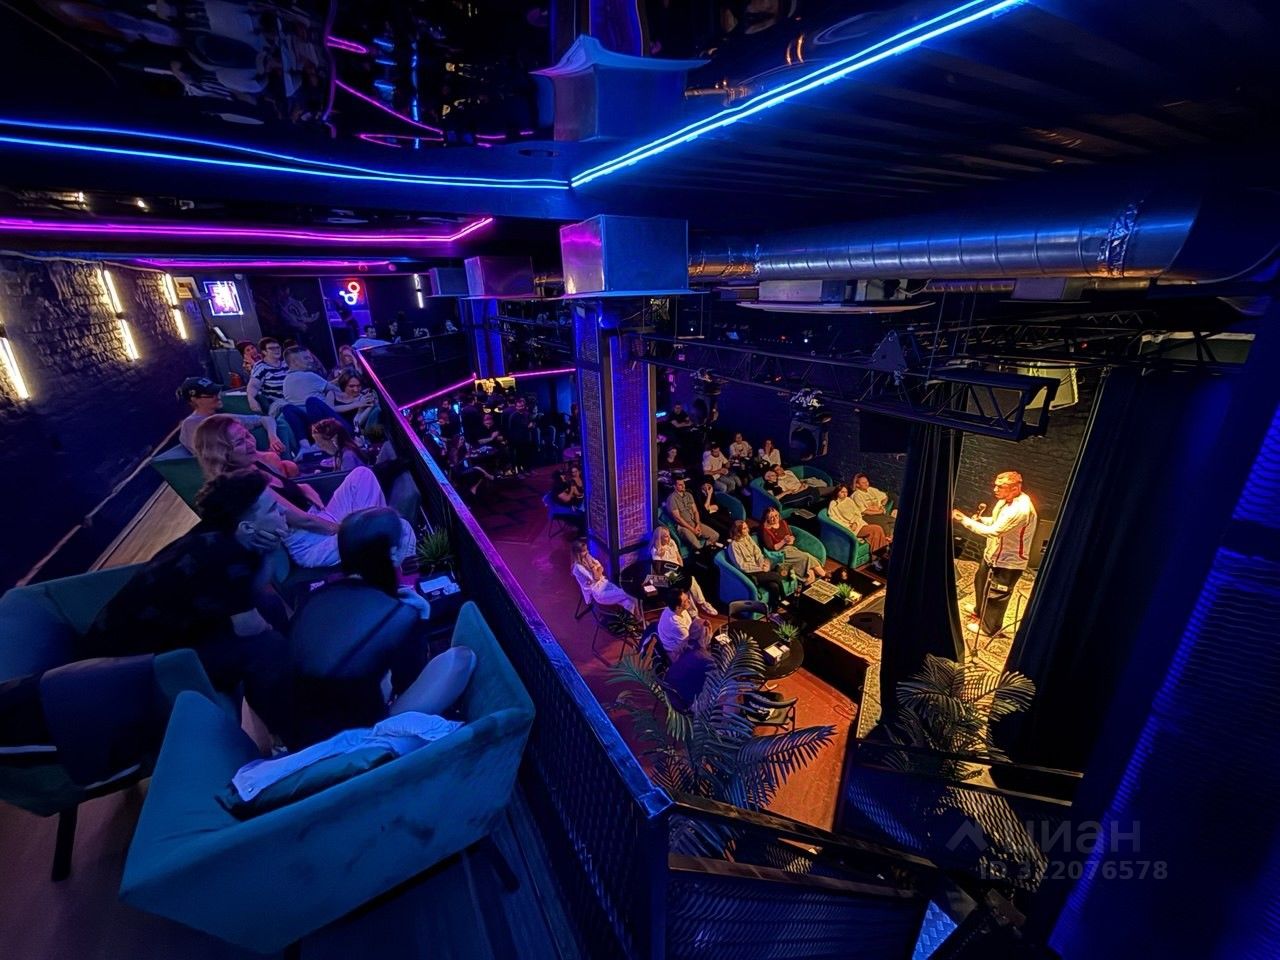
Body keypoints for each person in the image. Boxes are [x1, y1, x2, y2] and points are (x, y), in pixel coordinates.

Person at [82, 470, 292, 732]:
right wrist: (274, 637)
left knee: (269, 607)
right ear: (247, 527)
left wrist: (270, 551)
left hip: (168, 639)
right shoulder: (222, 554)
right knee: (267, 648)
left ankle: (283, 693)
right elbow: (249, 627)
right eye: (273, 509)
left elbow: (251, 590)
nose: (283, 512)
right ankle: (290, 730)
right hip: (131, 667)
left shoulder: (222, 534)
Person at [286, 507, 460, 748]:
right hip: (357, 740)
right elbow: (408, 683)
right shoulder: (399, 616)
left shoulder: (313, 598)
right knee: (461, 659)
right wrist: (422, 616)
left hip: (300, 733)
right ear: (393, 554)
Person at [194, 415, 413, 569]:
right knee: (401, 528)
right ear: (223, 452)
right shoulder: (244, 485)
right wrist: (351, 529)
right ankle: (393, 568)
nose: (250, 443)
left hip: (320, 518)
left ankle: (375, 548)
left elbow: (290, 485)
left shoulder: (255, 462)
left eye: (247, 435)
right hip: (311, 543)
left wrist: (304, 488)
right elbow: (303, 521)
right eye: (240, 442)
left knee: (362, 475)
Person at [953, 471, 1037, 638]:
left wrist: (964, 520)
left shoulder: (1021, 510)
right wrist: (981, 520)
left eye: (1001, 487)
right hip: (992, 555)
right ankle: (980, 611)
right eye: (996, 485)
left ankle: (989, 628)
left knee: (997, 595)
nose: (995, 489)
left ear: (1015, 488)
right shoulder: (1003, 502)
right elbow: (996, 521)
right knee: (981, 582)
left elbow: (995, 531)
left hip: (1009, 561)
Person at [177, 376, 284, 455]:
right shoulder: (191, 424)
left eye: (217, 392)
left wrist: (273, 438)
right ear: (195, 399)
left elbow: (265, 419)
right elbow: (213, 457)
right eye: (211, 395)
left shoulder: (222, 416)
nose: (218, 397)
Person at [651, 526, 717, 615]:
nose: (669, 538)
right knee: (688, 581)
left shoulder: (671, 542)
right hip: (667, 575)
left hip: (678, 569)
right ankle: (700, 605)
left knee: (688, 580)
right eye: (666, 536)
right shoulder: (655, 550)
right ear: (659, 538)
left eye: (669, 535)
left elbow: (679, 557)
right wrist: (661, 554)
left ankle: (696, 609)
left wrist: (681, 569)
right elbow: (660, 570)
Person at [570, 540, 641, 618]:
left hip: (605, 583)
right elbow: (597, 577)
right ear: (577, 554)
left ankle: (631, 620)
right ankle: (638, 616)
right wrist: (592, 566)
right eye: (584, 551)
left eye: (587, 549)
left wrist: (597, 571)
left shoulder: (587, 557)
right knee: (627, 593)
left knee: (628, 602)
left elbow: (601, 568)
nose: (587, 552)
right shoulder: (578, 568)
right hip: (598, 592)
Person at [725, 520, 787, 608]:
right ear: (738, 531)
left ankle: (775, 608)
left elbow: (757, 553)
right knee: (776, 576)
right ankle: (785, 600)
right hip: (750, 574)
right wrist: (760, 568)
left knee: (774, 586)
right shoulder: (734, 545)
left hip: (759, 568)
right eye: (745, 529)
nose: (748, 530)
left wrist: (762, 564)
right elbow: (742, 566)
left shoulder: (747, 537)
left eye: (747, 527)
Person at [759, 506, 827, 583]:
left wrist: (790, 540)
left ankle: (819, 579)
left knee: (810, 569)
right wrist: (784, 541)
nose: (775, 518)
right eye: (771, 517)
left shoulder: (783, 523)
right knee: (806, 557)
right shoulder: (766, 530)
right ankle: (824, 575)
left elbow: (791, 536)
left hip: (791, 548)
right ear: (767, 518)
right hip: (781, 553)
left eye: (776, 515)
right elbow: (772, 548)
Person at [662, 620, 715, 712]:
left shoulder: (684, 647)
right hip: (686, 704)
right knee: (728, 688)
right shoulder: (707, 659)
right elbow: (719, 679)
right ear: (707, 636)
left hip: (671, 693)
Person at [828, 484, 890, 552]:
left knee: (877, 530)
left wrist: (855, 522)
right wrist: (849, 526)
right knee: (876, 529)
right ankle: (879, 553)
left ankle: (880, 552)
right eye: (842, 492)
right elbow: (834, 519)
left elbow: (857, 513)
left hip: (858, 524)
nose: (845, 494)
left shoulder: (849, 500)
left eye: (846, 492)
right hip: (849, 528)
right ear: (837, 492)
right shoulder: (833, 504)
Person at [664, 477, 721, 551]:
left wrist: (697, 524)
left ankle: (705, 551)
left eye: (683, 484)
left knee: (715, 536)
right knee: (697, 546)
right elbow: (678, 519)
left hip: (694, 522)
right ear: (675, 486)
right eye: (680, 485)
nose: (683, 486)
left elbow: (695, 511)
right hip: (683, 526)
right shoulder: (672, 498)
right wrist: (692, 530)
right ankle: (700, 552)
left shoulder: (689, 495)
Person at [657, 589, 712, 662]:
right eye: (685, 601)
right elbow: (687, 644)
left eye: (687, 598)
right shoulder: (677, 625)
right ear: (678, 607)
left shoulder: (675, 609)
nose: (689, 601)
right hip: (675, 651)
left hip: (684, 639)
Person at [247, 337, 288, 414]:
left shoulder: (286, 363)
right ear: (264, 352)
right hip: (277, 404)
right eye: (272, 348)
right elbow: (253, 386)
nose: (276, 350)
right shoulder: (261, 367)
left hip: (293, 399)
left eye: (278, 347)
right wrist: (251, 399)